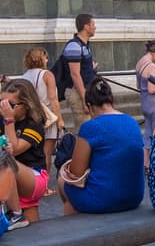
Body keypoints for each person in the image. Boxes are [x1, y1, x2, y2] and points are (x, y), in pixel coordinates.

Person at [0, 79, 54, 246]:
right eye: (2, 102)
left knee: (6, 159)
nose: (5, 107)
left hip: (34, 179)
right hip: (14, 189)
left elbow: (15, 150)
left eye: (11, 104)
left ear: (26, 105)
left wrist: (9, 122)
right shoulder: (0, 119)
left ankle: (15, 213)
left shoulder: (35, 123)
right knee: (36, 239)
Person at [59, 78, 144, 215]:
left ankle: (76, 232)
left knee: (63, 183)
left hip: (104, 199)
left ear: (89, 106)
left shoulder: (90, 127)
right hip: (134, 197)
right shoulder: (132, 121)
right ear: (111, 101)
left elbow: (76, 173)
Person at [22, 47, 64, 169]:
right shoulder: (47, 75)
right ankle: (44, 184)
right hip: (47, 118)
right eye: (46, 57)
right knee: (46, 153)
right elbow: (53, 98)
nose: (47, 60)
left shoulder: (23, 76)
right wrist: (59, 119)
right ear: (41, 59)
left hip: (30, 117)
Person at [59, 14, 97, 126]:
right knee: (85, 128)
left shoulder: (84, 45)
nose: (95, 27)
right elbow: (75, 74)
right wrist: (84, 99)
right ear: (86, 26)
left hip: (85, 90)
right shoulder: (75, 46)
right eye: (93, 24)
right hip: (78, 92)